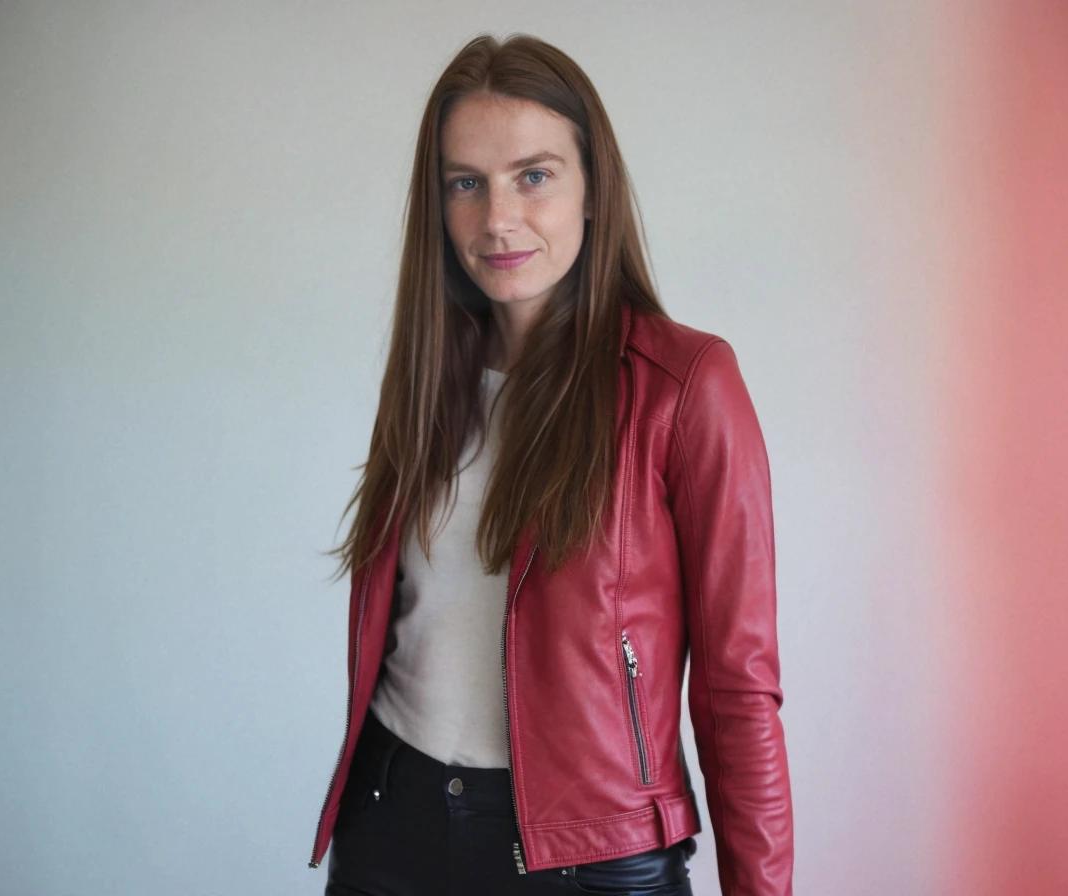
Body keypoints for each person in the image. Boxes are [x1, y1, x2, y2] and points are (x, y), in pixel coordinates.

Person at [308, 32, 793, 896]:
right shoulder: (428, 377)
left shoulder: (683, 388)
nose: (497, 218)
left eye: (534, 175)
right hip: (391, 830)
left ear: (593, 190)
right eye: (467, 183)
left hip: (592, 863)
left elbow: (737, 693)